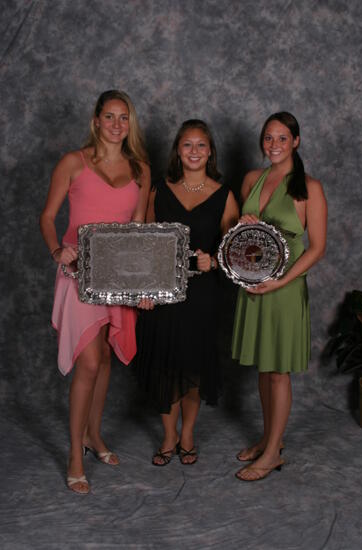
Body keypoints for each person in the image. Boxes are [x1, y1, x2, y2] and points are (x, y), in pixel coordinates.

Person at [39, 90, 150, 494]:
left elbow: (139, 233)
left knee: (104, 357)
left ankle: (93, 435)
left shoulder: (140, 168)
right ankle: (74, 454)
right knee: (88, 361)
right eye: (109, 117)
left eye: (124, 118)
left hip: (119, 277)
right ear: (96, 120)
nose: (117, 125)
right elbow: (48, 216)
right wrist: (56, 249)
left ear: (129, 123)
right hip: (78, 272)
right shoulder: (73, 162)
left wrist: (143, 285)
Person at [136, 119, 238, 465]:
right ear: (177, 152)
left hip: (202, 295)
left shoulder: (225, 195)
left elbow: (234, 253)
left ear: (210, 152)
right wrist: (144, 290)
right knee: (166, 367)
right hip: (164, 294)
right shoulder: (159, 191)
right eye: (187, 145)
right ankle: (168, 436)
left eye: (201, 145)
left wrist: (216, 262)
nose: (194, 151)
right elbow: (145, 246)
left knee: (193, 368)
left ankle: (188, 434)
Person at [232, 112, 327, 481]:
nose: (273, 145)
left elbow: (317, 248)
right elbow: (241, 236)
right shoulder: (252, 179)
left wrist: (280, 282)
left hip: (284, 289)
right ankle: (268, 438)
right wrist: (240, 224)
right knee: (263, 365)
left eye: (282, 138)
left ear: (296, 142)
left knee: (277, 372)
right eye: (268, 138)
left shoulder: (310, 187)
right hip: (254, 284)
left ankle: (272, 453)